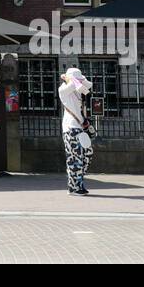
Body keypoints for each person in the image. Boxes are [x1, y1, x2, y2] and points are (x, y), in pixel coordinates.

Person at [59, 67, 94, 195]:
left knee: (87, 154)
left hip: (79, 127)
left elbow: (87, 86)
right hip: (70, 128)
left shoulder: (78, 91)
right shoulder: (63, 90)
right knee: (75, 158)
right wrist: (69, 78)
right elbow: (74, 84)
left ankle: (78, 182)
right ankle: (74, 187)